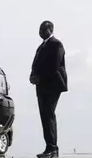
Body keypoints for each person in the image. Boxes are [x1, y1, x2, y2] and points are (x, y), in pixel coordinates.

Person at [29, 21, 67, 158]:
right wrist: (32, 76)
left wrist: (40, 77)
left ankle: (53, 148)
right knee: (44, 116)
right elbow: (35, 64)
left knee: (49, 114)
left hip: (53, 85)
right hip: (41, 86)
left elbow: (54, 66)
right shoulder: (41, 47)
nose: (40, 32)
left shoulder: (57, 44)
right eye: (39, 29)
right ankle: (49, 147)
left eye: (42, 29)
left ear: (50, 29)